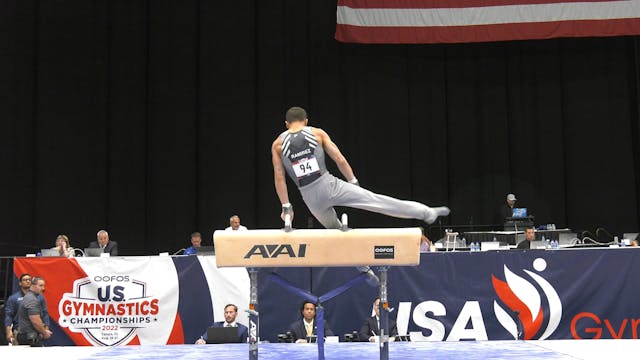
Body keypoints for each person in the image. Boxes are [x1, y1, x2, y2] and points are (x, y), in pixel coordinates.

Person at [271, 107, 450, 283]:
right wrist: (353, 183)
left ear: (286, 124)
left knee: (336, 232)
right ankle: (427, 213)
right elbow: (339, 159)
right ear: (306, 121)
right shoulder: (317, 133)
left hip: (309, 197)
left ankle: (364, 269)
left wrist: (287, 207)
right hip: (331, 185)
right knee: (376, 201)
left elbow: (279, 177)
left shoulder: (278, 145)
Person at [4, 274, 50, 345]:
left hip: (36, 330)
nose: (28, 281)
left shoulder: (40, 297)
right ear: (20, 283)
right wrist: (8, 330)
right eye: (25, 280)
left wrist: (45, 329)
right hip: (19, 330)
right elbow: (9, 315)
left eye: (29, 280)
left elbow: (45, 313)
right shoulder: (14, 298)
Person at [16, 276, 52, 346]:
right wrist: (44, 332)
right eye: (40, 286)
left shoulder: (30, 297)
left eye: (43, 286)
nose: (43, 288)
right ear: (32, 286)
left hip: (28, 335)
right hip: (29, 337)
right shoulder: (32, 299)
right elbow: (35, 320)